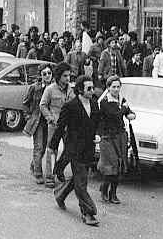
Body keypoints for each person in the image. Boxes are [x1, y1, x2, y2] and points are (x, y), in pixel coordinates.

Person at [50, 75, 100, 226]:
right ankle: (88, 212)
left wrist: (97, 134)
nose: (92, 91)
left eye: (92, 88)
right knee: (82, 181)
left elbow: (97, 122)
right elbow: (60, 128)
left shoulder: (94, 103)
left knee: (78, 179)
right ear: (80, 90)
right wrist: (53, 146)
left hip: (88, 149)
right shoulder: (70, 106)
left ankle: (60, 195)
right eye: (89, 88)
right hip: (75, 150)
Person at [97, 75, 136, 204]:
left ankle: (113, 193)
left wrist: (130, 113)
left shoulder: (121, 99)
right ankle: (104, 190)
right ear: (108, 88)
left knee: (120, 165)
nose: (116, 89)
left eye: (118, 87)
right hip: (107, 137)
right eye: (113, 87)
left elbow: (130, 113)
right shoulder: (104, 102)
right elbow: (115, 115)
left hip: (120, 136)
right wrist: (124, 109)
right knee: (111, 166)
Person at [39, 62, 75, 189]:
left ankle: (59, 170)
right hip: (54, 125)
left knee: (69, 150)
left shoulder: (71, 90)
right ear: (59, 76)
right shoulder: (50, 89)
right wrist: (50, 118)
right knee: (51, 150)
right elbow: (42, 105)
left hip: (68, 125)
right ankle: (49, 177)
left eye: (69, 76)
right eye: (65, 76)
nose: (68, 78)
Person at [24, 64, 52, 184]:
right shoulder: (34, 88)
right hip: (37, 121)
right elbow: (25, 102)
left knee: (45, 147)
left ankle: (33, 164)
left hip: (49, 121)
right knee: (39, 147)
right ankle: (38, 173)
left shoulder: (53, 88)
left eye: (49, 73)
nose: (47, 76)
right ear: (40, 75)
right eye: (44, 73)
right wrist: (28, 116)